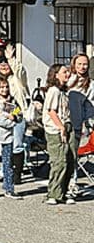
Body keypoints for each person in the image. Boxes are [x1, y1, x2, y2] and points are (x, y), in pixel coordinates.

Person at [0, 44, 30, 185]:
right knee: (5, 145)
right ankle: (6, 172)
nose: (4, 66)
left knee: (17, 145)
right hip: (3, 116)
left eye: (6, 64)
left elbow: (20, 70)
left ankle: (17, 175)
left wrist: (11, 59)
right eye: (1, 64)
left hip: (18, 114)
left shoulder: (17, 79)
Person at [42, 63, 75, 205]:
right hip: (55, 129)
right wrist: (61, 127)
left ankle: (63, 192)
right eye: (64, 72)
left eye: (68, 72)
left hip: (66, 125)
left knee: (70, 160)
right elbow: (51, 111)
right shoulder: (53, 91)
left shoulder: (63, 91)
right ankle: (53, 193)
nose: (67, 74)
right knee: (59, 161)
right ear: (56, 75)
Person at [66, 53, 94, 197]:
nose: (82, 67)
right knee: (65, 153)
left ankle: (73, 182)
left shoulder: (91, 84)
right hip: (65, 121)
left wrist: (88, 123)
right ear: (74, 65)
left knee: (74, 154)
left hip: (79, 123)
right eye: (79, 64)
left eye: (85, 64)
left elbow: (91, 105)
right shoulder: (68, 78)